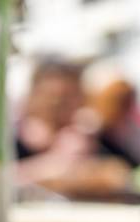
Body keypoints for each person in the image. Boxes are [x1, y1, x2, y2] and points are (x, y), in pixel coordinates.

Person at [14, 59, 130, 196]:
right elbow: (1, 178)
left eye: (68, 98)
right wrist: (53, 165)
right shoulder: (12, 140)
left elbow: (121, 173)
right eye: (52, 96)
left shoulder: (90, 138)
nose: (57, 106)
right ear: (33, 96)